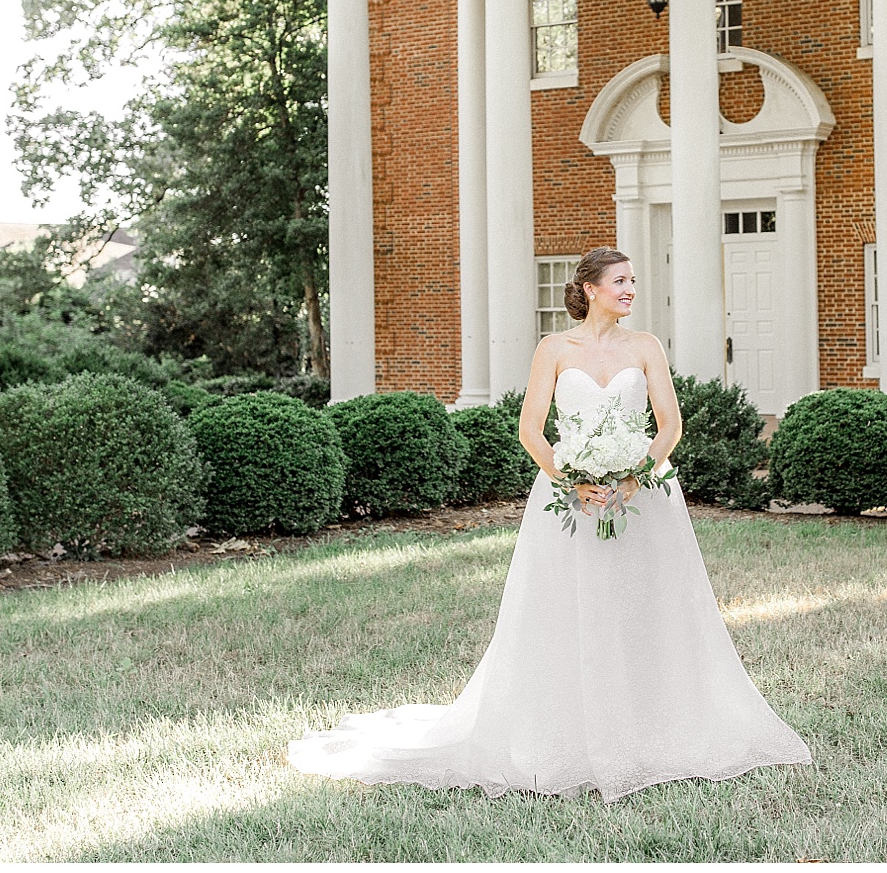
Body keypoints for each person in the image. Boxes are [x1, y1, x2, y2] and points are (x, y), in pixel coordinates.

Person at [285, 246, 812, 801]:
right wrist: (572, 480)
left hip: (643, 498)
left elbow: (670, 427)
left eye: (633, 281)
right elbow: (532, 430)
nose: (630, 290)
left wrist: (635, 478)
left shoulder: (646, 346)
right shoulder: (554, 349)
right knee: (567, 607)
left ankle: (654, 719)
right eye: (620, 281)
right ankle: (566, 728)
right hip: (569, 499)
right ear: (589, 288)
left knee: (647, 603)